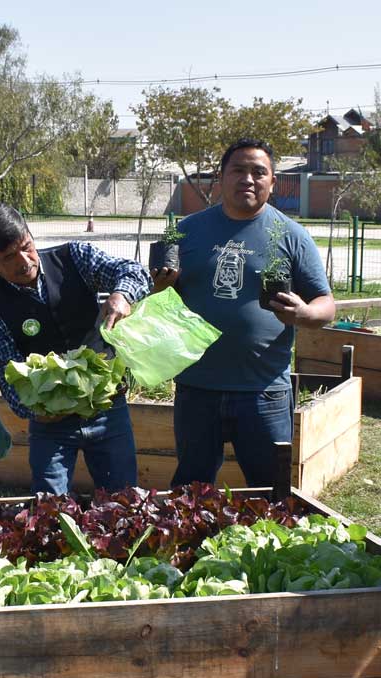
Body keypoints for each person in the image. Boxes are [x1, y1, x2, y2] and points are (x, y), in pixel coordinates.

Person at [152, 137, 335, 489]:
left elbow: (326, 304)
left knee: (270, 491)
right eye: (238, 170)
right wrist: (160, 287)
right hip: (196, 388)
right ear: (220, 178)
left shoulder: (291, 235)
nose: (247, 179)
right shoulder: (184, 231)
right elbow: (161, 293)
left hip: (263, 392)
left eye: (258, 172)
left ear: (272, 182)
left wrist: (303, 314)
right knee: (190, 491)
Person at [0, 203, 151, 495]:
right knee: (50, 509)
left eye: (26, 246)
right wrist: (36, 411)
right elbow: (7, 378)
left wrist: (122, 294)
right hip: (51, 427)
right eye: (9, 257)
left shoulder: (74, 257)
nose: (25, 261)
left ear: (30, 234)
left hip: (107, 410)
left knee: (123, 500)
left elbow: (132, 271)